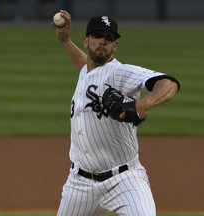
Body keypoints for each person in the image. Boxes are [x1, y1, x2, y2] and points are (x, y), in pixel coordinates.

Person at [52, 10, 180, 216]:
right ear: (86, 41)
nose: (103, 41)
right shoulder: (87, 70)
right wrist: (65, 40)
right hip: (79, 183)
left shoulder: (120, 72)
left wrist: (143, 105)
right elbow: (84, 64)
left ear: (115, 46)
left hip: (123, 180)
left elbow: (168, 83)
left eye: (109, 38)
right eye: (97, 36)